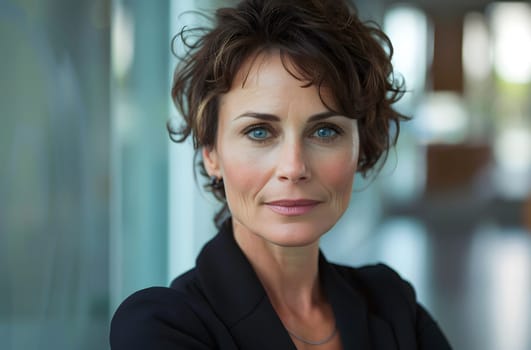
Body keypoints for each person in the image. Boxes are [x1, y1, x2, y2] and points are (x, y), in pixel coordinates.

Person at [110, 0, 452, 349]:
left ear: (361, 146)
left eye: (324, 132)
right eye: (259, 132)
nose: (293, 167)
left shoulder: (391, 305)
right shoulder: (163, 326)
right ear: (211, 153)